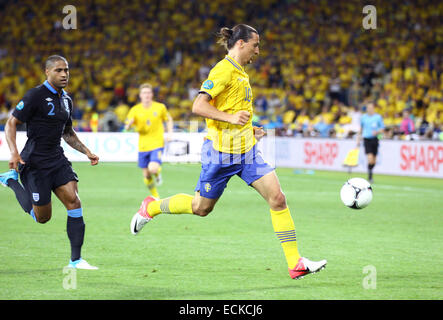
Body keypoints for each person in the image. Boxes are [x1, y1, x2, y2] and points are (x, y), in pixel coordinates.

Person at [130, 24, 327, 279]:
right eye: (255, 45)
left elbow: (235, 112)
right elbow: (198, 106)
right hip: (220, 154)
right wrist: (231, 118)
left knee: (277, 198)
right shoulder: (222, 70)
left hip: (246, 152)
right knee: (201, 208)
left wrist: (248, 128)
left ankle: (295, 263)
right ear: (241, 43)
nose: (258, 50)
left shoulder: (241, 73)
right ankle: (152, 207)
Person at [0, 55, 99, 270]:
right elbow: (11, 123)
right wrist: (14, 153)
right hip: (34, 163)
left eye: (66, 70)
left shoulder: (66, 100)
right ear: (47, 72)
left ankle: (75, 261)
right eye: (59, 70)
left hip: (57, 160)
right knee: (42, 217)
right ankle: (11, 182)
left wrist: (87, 151)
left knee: (74, 202)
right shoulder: (35, 95)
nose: (64, 74)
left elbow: (68, 132)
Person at [124, 83, 173, 198]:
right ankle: (156, 196)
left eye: (148, 93)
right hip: (143, 146)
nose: (146, 95)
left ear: (152, 95)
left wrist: (170, 133)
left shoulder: (160, 107)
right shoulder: (135, 110)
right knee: (146, 175)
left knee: (153, 168)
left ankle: (157, 172)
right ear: (140, 95)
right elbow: (126, 126)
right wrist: (129, 125)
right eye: (144, 93)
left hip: (157, 143)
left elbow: (168, 119)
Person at [356, 102, 384, 183]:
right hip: (367, 139)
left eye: (371, 108)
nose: (370, 109)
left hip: (375, 139)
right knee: (370, 158)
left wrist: (377, 132)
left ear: (373, 108)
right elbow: (361, 129)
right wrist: (358, 139)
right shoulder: (363, 117)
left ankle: (370, 172)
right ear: (367, 109)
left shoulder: (378, 117)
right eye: (368, 108)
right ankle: (370, 177)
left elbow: (382, 128)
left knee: (373, 161)